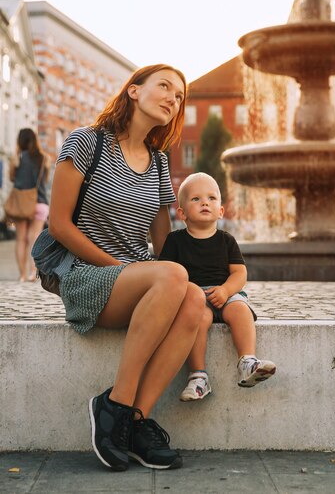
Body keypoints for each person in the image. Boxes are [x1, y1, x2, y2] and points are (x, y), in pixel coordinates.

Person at [47, 64, 205, 472]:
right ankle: (114, 403)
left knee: (192, 299)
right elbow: (58, 224)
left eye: (181, 95)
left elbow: (163, 245)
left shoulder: (158, 163)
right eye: (165, 86)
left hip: (138, 283)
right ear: (133, 91)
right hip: (85, 275)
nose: (174, 97)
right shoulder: (87, 142)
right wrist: (123, 270)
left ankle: (134, 421)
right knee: (171, 277)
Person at [159, 172, 276, 402]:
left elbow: (239, 273)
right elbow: (166, 273)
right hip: (195, 299)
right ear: (181, 213)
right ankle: (198, 377)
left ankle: (247, 362)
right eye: (196, 199)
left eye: (212, 198)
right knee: (197, 320)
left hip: (225, 293)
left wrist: (226, 290)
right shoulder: (175, 241)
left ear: (221, 211)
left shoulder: (226, 240)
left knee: (241, 310)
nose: (205, 202)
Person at [9, 128, 50, 282]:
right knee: (34, 238)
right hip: (40, 203)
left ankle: (22, 275)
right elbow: (44, 181)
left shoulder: (17, 158)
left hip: (21, 203)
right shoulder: (43, 158)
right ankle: (34, 273)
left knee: (21, 239)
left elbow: (12, 178)